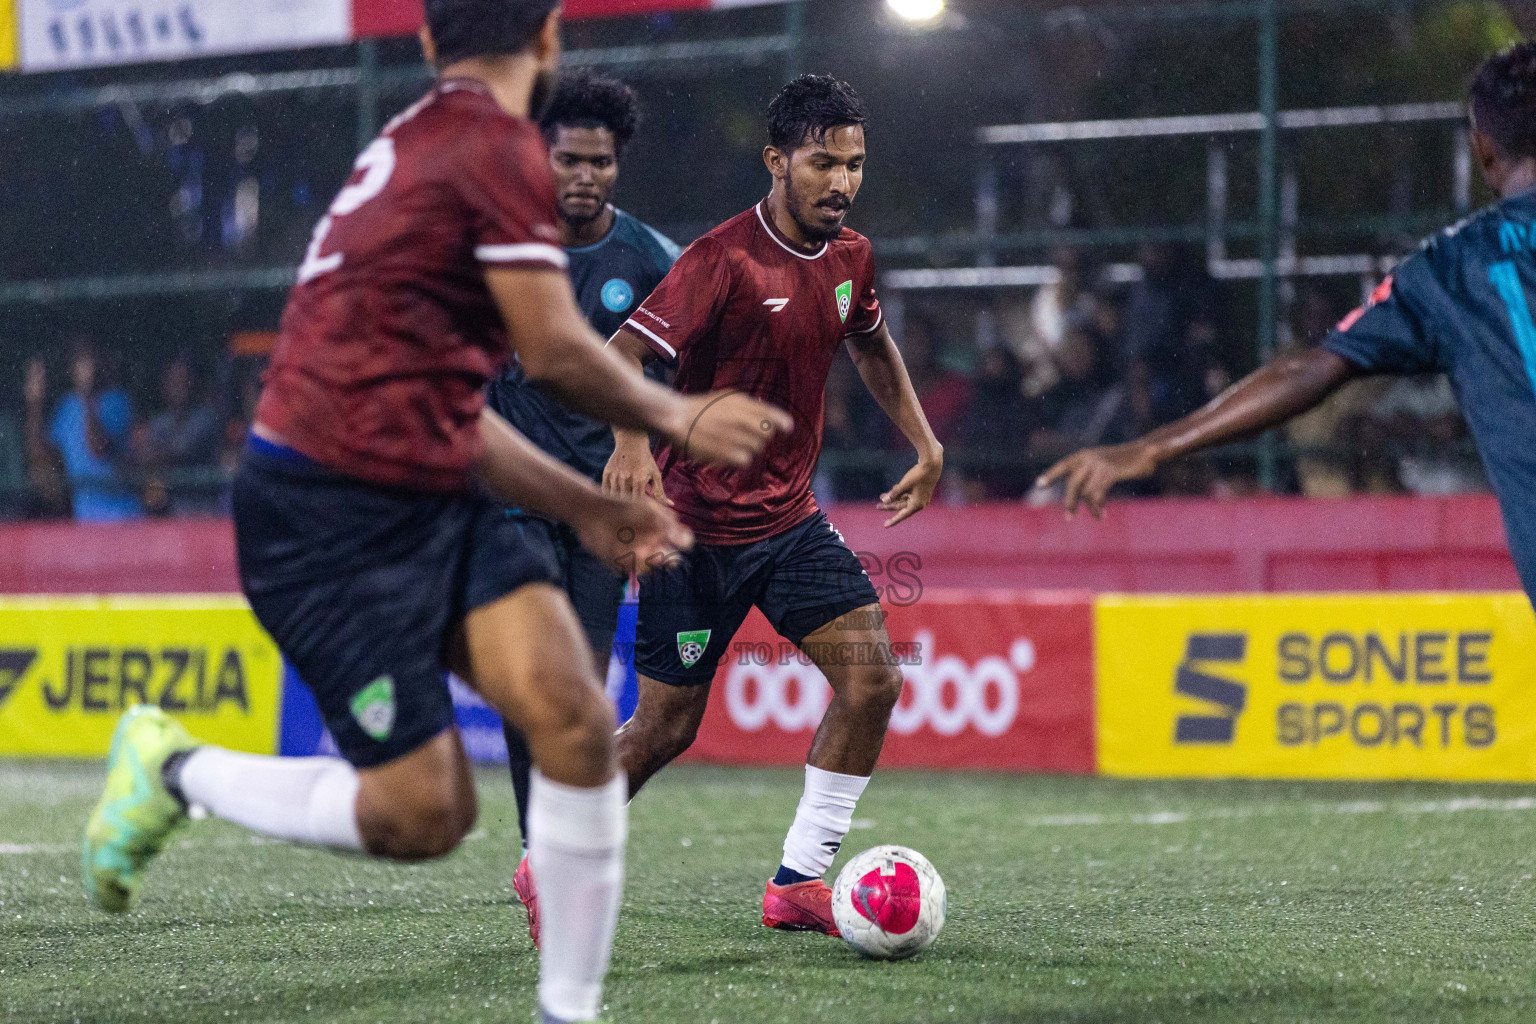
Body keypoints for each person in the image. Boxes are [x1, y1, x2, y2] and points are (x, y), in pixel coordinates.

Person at [80, 6, 788, 1024]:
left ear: (424, 46)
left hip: (427, 493)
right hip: (321, 516)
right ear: (548, 41)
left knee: (575, 717)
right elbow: (549, 350)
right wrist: (671, 412)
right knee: (426, 812)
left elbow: (452, 411)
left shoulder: (427, 144)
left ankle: (568, 1013)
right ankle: (172, 767)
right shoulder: (490, 144)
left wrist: (589, 500)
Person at [599, 74, 944, 936]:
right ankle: (549, 858)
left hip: (789, 523)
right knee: (664, 728)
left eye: (855, 164)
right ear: (776, 161)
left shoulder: (851, 258)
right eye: (823, 163)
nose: (842, 182)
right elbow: (620, 355)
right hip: (694, 529)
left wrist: (926, 442)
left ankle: (798, 884)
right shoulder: (720, 260)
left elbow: (871, 343)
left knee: (872, 680)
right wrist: (633, 444)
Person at [1039, 43, 1536, 612]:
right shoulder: (1450, 270)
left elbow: (1311, 368)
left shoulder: (1451, 268)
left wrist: (1155, 446)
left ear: (1482, 147)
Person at [483, 73, 682, 934]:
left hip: (602, 516)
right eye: (569, 158)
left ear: (619, 164)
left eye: (600, 161)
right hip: (509, 502)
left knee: (582, 701)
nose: (585, 176)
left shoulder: (651, 260)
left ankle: (545, 861)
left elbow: (690, 376)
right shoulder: (497, 253)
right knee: (543, 685)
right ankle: (550, 862)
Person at [43, 340, 143, 521]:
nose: (87, 367)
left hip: (122, 516)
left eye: (90, 359)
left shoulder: (118, 401)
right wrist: (35, 403)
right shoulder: (66, 407)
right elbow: (46, 459)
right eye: (80, 360)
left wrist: (86, 395)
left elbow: (97, 449)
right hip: (85, 518)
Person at [143, 354, 223, 515]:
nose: (178, 386)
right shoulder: (159, 423)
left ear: (193, 383)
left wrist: (151, 457)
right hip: (174, 513)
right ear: (164, 385)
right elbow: (147, 461)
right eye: (173, 380)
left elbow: (179, 453)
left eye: (183, 379)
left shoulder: (205, 419)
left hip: (206, 511)